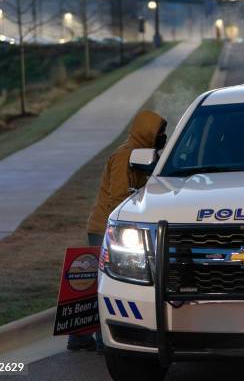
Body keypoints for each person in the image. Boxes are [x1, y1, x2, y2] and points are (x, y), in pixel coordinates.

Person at [67, 110, 167, 352]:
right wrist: (121, 230)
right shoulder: (125, 156)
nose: (162, 137)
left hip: (107, 225)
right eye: (159, 133)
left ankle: (79, 337)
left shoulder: (140, 154)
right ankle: (103, 340)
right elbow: (118, 197)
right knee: (107, 282)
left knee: (95, 282)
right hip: (105, 225)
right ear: (147, 133)